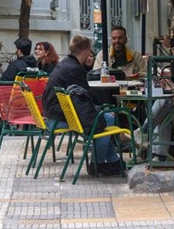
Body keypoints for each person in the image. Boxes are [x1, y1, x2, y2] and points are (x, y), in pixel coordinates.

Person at [42, 35, 124, 176]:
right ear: (86, 50)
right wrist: (104, 107)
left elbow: (84, 97)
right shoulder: (74, 69)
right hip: (60, 118)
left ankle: (113, 162)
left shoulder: (65, 64)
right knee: (107, 119)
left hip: (54, 114)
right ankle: (97, 164)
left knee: (103, 122)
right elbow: (87, 95)